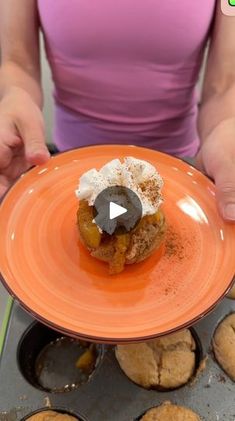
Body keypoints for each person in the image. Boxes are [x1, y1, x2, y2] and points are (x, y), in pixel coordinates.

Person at [0, 0, 234, 221]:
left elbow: (224, 85)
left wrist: (225, 128)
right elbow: (18, 62)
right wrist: (16, 96)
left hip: (180, 171)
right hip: (66, 170)